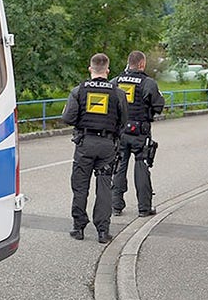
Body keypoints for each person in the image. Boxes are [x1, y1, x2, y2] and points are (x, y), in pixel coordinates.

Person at [61, 53, 127, 244]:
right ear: (107, 70)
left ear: (90, 69)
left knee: (80, 186)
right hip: (107, 146)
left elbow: (68, 118)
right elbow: (123, 120)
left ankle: (78, 227)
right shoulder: (118, 92)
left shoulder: (79, 91)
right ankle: (103, 231)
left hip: (85, 144)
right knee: (104, 187)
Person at [111, 50, 165, 217]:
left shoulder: (116, 81)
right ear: (141, 64)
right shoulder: (148, 83)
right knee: (141, 165)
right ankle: (144, 208)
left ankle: (116, 206)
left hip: (120, 131)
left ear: (129, 63)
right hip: (140, 132)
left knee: (119, 165)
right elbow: (158, 106)